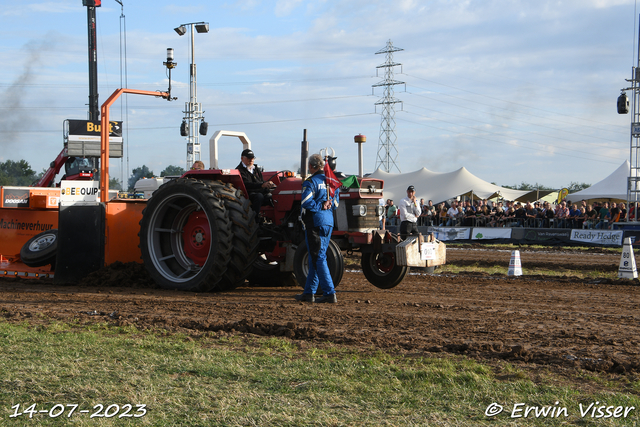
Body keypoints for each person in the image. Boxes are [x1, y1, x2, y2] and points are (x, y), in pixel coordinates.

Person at [295, 154, 340, 304]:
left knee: (319, 257)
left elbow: (306, 202)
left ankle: (329, 292)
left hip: (315, 222)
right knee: (316, 256)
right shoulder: (331, 181)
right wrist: (327, 205)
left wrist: (319, 206)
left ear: (311, 167)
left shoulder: (311, 181)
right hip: (328, 222)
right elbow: (336, 203)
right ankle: (309, 292)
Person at [236, 148, 276, 217]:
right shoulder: (239, 170)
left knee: (273, 196)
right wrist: (262, 185)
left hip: (260, 191)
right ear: (242, 158)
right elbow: (247, 184)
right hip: (248, 194)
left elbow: (261, 181)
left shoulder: (256, 169)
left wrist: (268, 184)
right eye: (248, 158)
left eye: (252, 158)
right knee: (259, 196)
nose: (251, 160)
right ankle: (254, 219)